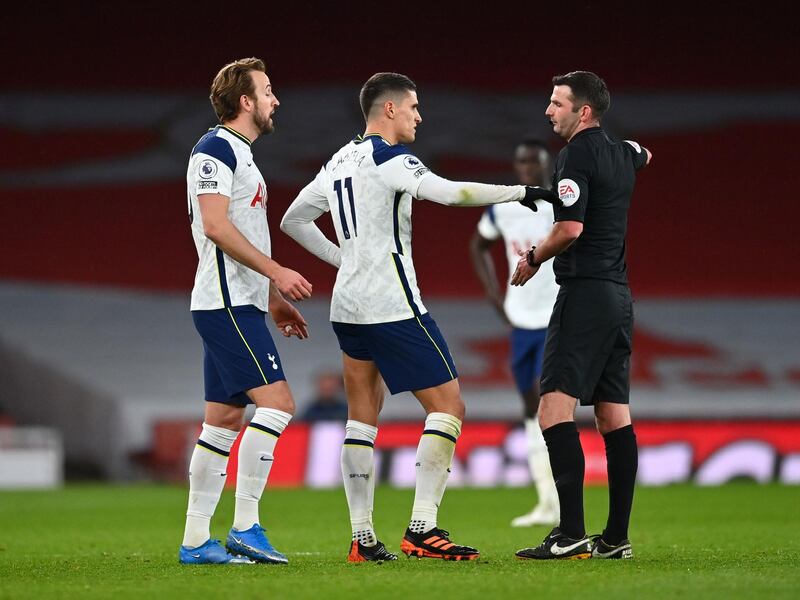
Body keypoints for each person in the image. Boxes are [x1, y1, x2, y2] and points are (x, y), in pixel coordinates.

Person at [280, 72, 558, 562]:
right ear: (389, 110)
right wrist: (520, 192)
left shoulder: (338, 161)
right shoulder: (390, 159)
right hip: (392, 305)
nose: (419, 116)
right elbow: (450, 193)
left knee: (361, 420)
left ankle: (362, 538)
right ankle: (422, 529)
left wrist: (344, 260)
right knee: (449, 407)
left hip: (346, 308)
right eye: (412, 107)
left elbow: (293, 220)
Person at [511, 71, 651, 560]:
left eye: (557, 103)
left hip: (585, 295)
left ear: (583, 111)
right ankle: (616, 539)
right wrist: (633, 151)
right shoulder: (622, 153)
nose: (549, 110)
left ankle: (570, 533)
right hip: (619, 297)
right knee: (614, 416)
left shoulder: (575, 155)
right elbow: (643, 153)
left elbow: (569, 227)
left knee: (553, 410)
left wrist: (532, 257)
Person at [179, 57, 313, 565]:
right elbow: (214, 226)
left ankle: (195, 542)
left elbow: (241, 233)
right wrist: (278, 272)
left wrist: (272, 298)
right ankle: (246, 526)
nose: (275, 100)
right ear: (246, 101)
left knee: (223, 422)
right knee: (278, 405)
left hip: (240, 302)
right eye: (268, 90)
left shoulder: (241, 154)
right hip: (227, 304)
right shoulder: (214, 149)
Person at [469, 139, 560, 527]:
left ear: (546, 164)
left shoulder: (561, 202)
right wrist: (494, 295)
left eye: (533, 162)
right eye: (520, 162)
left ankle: (558, 501)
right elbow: (478, 245)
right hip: (520, 318)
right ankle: (546, 501)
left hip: (556, 315)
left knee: (547, 403)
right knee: (527, 407)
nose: (526, 168)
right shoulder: (503, 206)